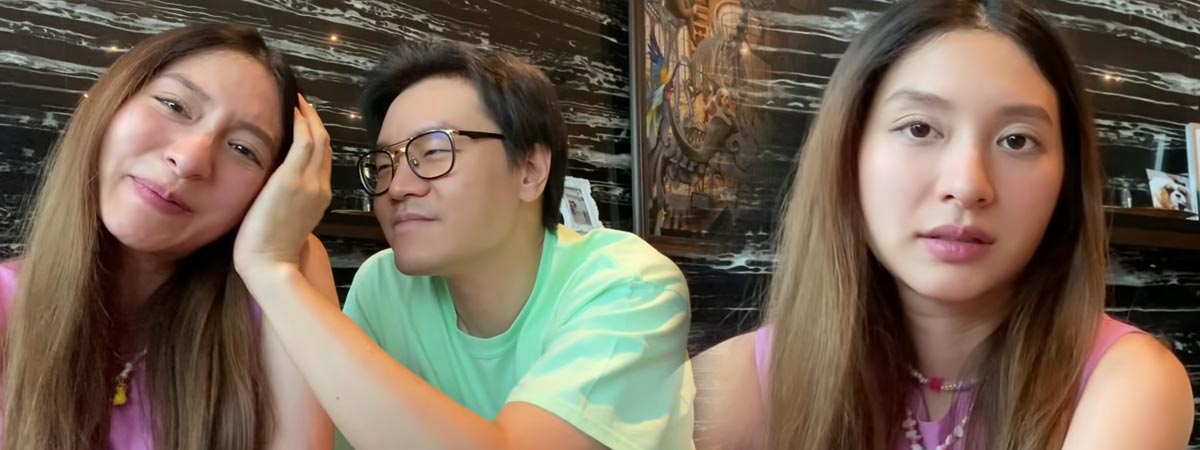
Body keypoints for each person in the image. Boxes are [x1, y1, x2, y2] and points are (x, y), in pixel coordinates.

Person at [692, 1, 1194, 449]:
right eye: (919, 128)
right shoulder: (737, 383)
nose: (968, 184)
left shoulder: (1128, 382)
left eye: (1017, 140)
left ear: (1067, 177)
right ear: (849, 153)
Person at [233, 41, 696, 450]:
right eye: (385, 164)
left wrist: (274, 272)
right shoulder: (384, 285)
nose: (398, 188)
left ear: (530, 171)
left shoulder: (627, 283)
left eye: (434, 151)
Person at [0, 23, 335, 450]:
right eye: (175, 105)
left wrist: (276, 268)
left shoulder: (279, 290)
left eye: (243, 149)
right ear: (112, 102)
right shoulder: (8, 303)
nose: (190, 159)